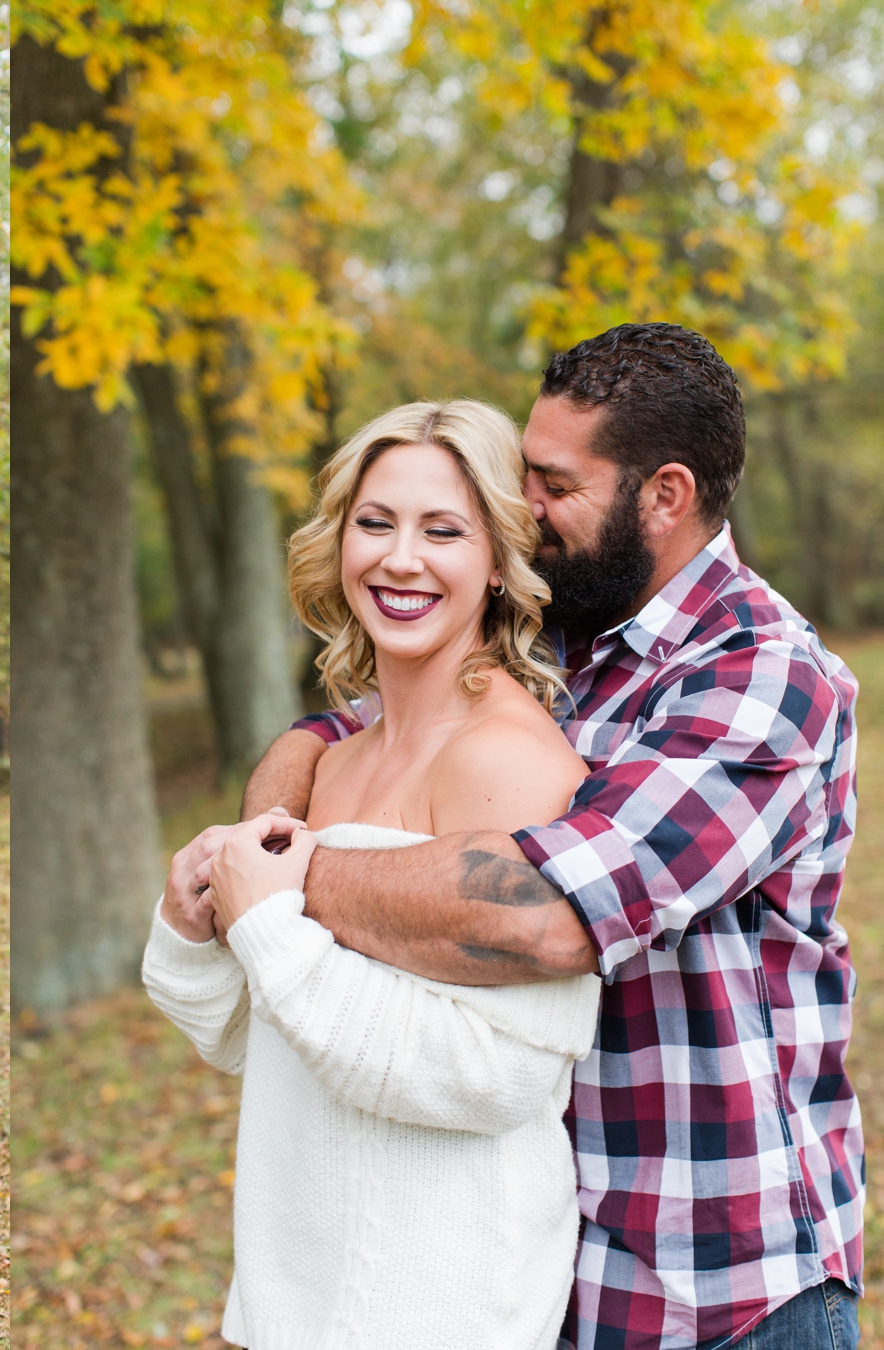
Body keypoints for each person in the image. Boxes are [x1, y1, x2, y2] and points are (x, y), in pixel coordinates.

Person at [245, 324, 863, 1350]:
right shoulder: (562, 635)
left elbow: (546, 914)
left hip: (723, 1287)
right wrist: (272, 803)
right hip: (553, 1278)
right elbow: (350, 728)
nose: (522, 506)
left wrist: (279, 876)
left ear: (663, 496)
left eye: (552, 482)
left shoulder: (763, 677)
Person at [146, 399, 602, 1348]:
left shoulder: (508, 761)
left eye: (444, 530)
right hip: (294, 1299)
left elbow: (500, 1080)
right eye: (375, 522)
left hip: (442, 1307)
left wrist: (270, 925)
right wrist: (192, 926)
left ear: (499, 558)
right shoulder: (335, 763)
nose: (401, 559)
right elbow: (253, 1037)